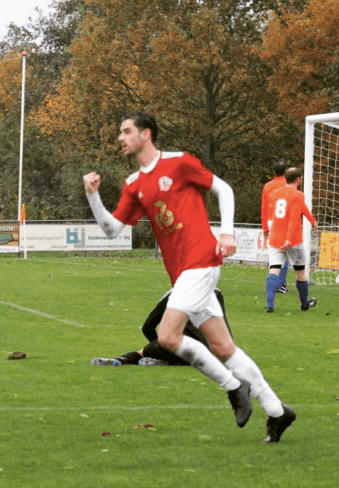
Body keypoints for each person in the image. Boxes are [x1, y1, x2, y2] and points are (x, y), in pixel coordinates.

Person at [83, 112, 296, 443]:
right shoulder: (133, 184)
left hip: (202, 260)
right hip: (183, 272)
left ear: (146, 134)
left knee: (168, 336)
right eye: (120, 132)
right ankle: (278, 411)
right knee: (224, 347)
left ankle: (233, 386)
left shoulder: (179, 163)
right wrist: (92, 195)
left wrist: (226, 234)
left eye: (126, 131)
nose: (120, 137)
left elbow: (223, 189)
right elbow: (111, 230)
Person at [91, 288, 231, 367]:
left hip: (177, 345)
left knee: (143, 352)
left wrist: (157, 345)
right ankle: (164, 361)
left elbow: (147, 327)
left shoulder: (175, 293)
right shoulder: (216, 293)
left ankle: (121, 360)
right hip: (206, 354)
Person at [265, 167, 318, 313]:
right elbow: (294, 218)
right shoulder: (298, 195)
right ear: (298, 180)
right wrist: (289, 240)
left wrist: (312, 220)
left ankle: (270, 305)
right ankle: (304, 303)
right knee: (300, 272)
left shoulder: (274, 194)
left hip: (275, 238)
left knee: (274, 269)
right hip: (293, 240)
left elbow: (300, 208)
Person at [261, 161, 290, 294]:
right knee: (284, 252)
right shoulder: (289, 184)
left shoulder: (268, 186)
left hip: (272, 221)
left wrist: (265, 228)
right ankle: (280, 284)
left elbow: (264, 207)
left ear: (274, 172)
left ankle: (276, 282)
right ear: (286, 171)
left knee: (276, 253)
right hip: (286, 220)